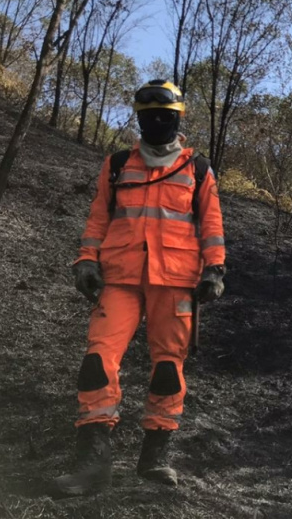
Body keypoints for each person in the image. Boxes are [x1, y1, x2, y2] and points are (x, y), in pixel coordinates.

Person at [54, 80, 226, 495]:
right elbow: (98, 218)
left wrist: (215, 270)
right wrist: (86, 260)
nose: (155, 122)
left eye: (163, 116)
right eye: (147, 116)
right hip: (120, 277)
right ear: (139, 118)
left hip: (176, 280)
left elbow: (212, 225)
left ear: (178, 118)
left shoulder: (197, 169)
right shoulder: (117, 165)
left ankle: (155, 460)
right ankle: (93, 463)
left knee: (168, 368)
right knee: (97, 360)